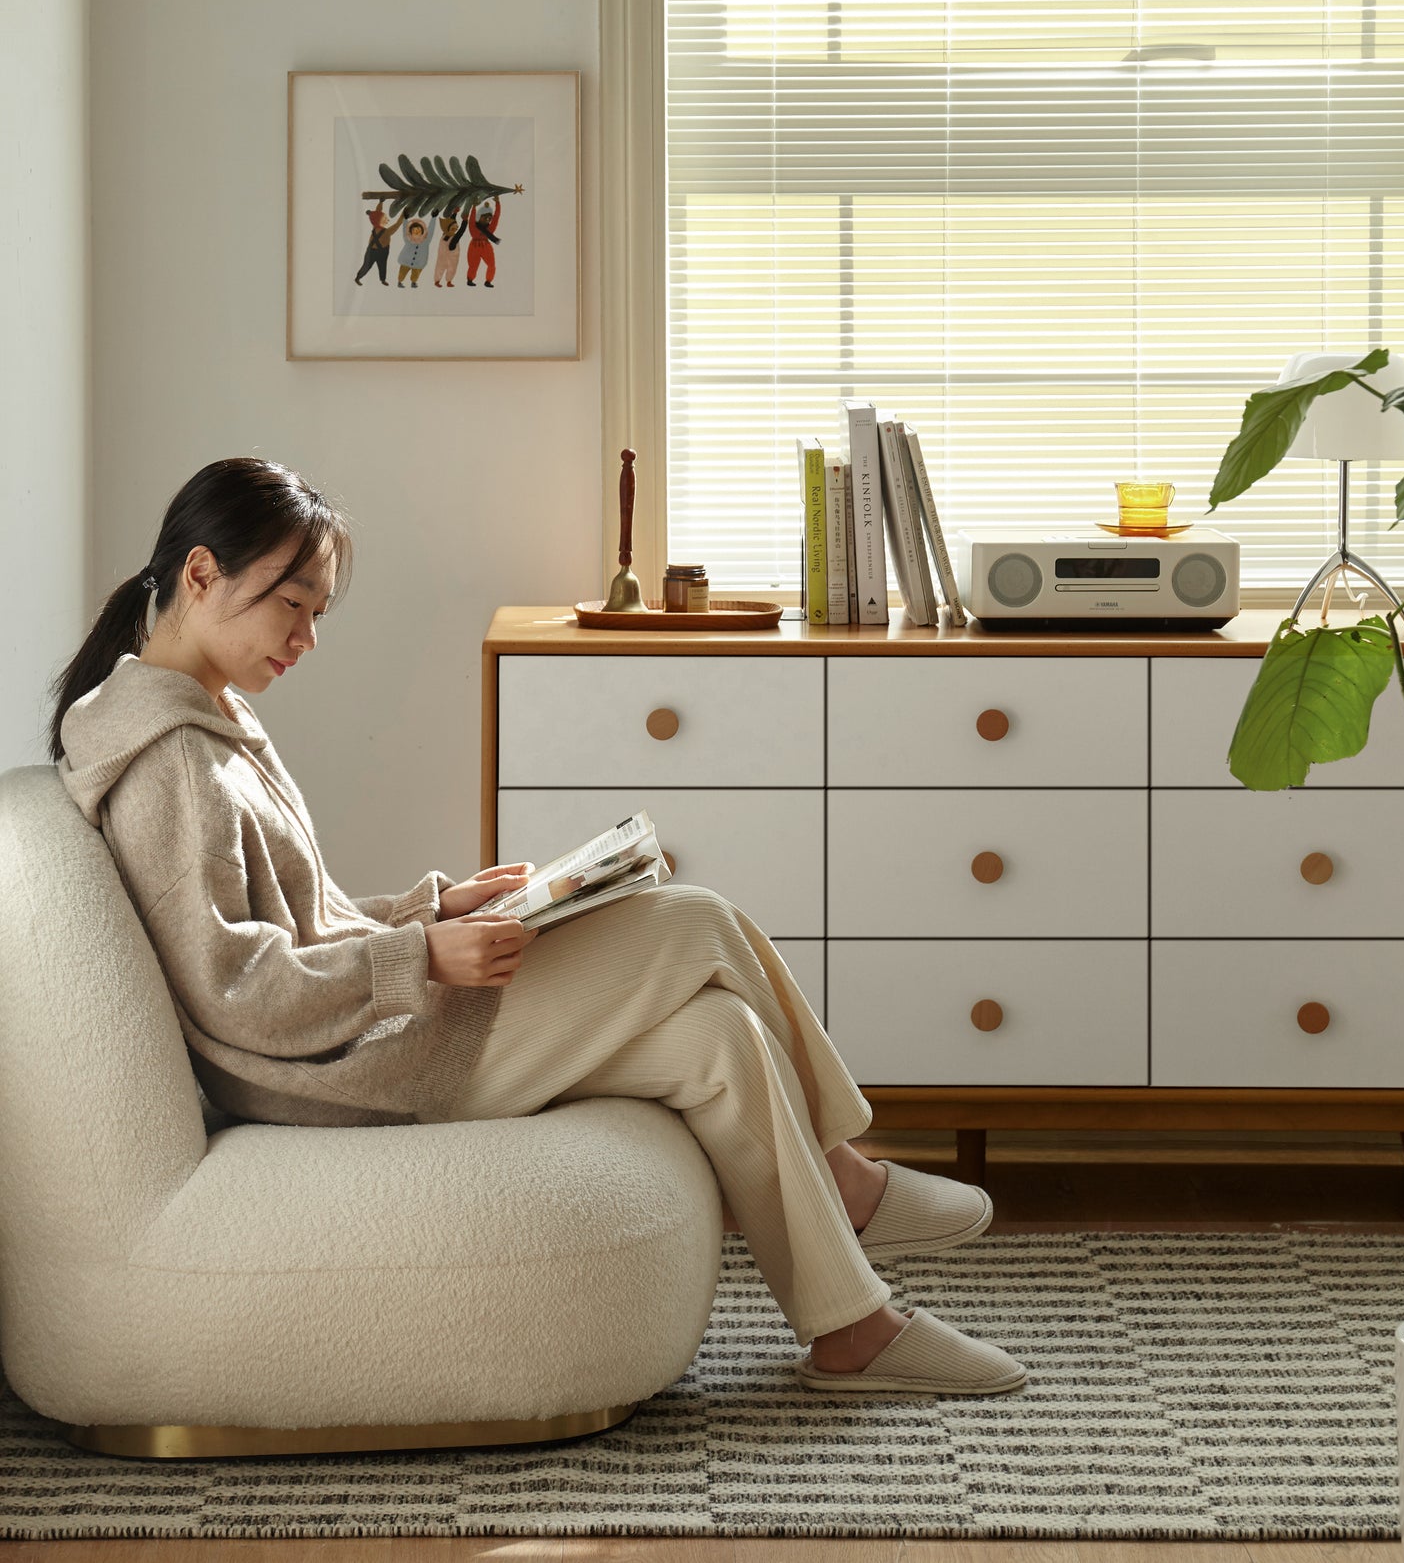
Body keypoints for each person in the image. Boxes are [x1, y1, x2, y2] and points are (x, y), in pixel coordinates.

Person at [47, 457, 1027, 1398]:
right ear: (201, 573)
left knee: (714, 1037)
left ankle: (851, 1334)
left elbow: (307, 923)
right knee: (692, 923)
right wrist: (422, 957)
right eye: (290, 603)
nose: (305, 637)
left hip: (357, 1040)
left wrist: (433, 906)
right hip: (343, 1075)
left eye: (317, 612)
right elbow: (239, 989)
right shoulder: (171, 759)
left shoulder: (207, 718)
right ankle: (842, 1177)